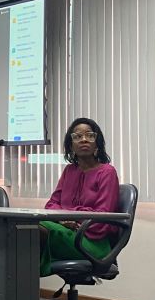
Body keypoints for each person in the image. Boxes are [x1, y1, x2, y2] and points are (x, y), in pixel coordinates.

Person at [40, 117, 120, 277]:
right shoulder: (69, 171)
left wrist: (71, 217)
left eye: (90, 135)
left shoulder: (107, 172)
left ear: (97, 143)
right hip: (65, 230)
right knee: (24, 227)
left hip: (91, 242)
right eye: (77, 136)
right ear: (71, 145)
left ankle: (24, 283)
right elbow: (51, 204)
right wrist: (63, 220)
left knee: (34, 230)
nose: (84, 139)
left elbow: (103, 216)